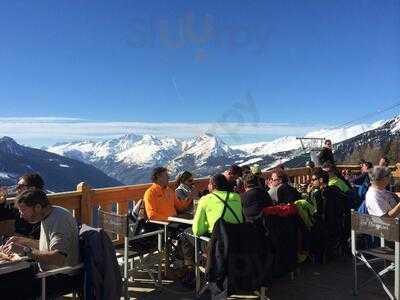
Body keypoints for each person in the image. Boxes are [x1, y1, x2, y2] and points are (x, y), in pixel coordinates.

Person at [1, 189, 80, 271]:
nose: (21, 216)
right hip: (45, 270)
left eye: (23, 210)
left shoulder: (60, 220)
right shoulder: (48, 215)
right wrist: (21, 241)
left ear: (38, 207)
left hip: (56, 276)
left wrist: (25, 251)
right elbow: (47, 248)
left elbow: (58, 258)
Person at [309, 168, 347, 258]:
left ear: (321, 180)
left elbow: (316, 211)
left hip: (324, 226)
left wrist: (310, 193)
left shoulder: (318, 194)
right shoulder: (336, 189)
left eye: (314, 179)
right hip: (338, 223)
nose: (312, 182)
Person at [0, 173, 44, 239]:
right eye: (17, 186)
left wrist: (15, 237)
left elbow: (37, 241)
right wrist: (1, 203)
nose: (17, 189)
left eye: (20, 186)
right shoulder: (14, 207)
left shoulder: (41, 211)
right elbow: (3, 216)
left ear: (32, 189)